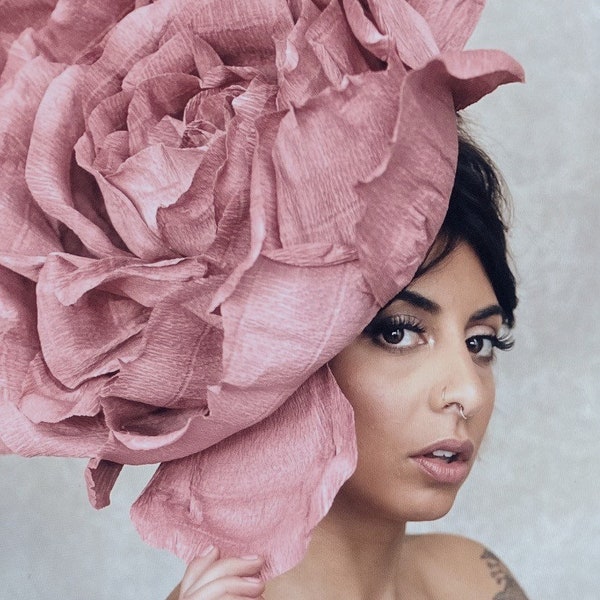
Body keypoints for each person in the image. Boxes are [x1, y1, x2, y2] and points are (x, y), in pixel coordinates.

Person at [165, 135, 530, 599]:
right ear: (293, 356)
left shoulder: (473, 579)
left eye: (480, 342)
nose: (469, 394)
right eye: (398, 333)